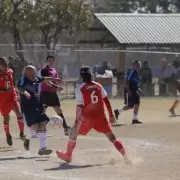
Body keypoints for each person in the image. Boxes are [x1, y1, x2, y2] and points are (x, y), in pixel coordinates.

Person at [56, 66, 131, 164]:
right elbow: (106, 100)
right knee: (112, 138)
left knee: (73, 133)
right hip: (100, 117)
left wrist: (76, 123)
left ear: (82, 77)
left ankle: (68, 155)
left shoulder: (80, 89)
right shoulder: (98, 86)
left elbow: (79, 108)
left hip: (87, 119)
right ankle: (125, 157)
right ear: (91, 75)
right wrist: (111, 115)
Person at [17, 65, 62, 155]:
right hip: (28, 108)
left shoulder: (36, 78)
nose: (33, 75)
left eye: (34, 72)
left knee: (42, 124)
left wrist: (55, 82)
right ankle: (27, 139)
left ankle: (42, 148)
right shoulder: (23, 80)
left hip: (38, 105)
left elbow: (44, 79)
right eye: (31, 73)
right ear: (26, 73)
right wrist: (25, 92)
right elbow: (20, 88)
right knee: (34, 127)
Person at [40, 55, 70, 136]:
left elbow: (55, 81)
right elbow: (46, 81)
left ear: (54, 61)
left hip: (53, 94)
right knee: (42, 112)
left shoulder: (54, 70)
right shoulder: (44, 70)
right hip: (45, 93)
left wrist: (57, 88)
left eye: (52, 60)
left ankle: (66, 128)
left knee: (59, 111)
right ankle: (39, 129)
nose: (51, 62)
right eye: (49, 60)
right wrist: (56, 87)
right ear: (47, 61)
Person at [0, 57, 25, 146]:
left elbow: (12, 82)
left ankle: (22, 133)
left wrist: (14, 89)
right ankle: (8, 135)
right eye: (2, 63)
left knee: (18, 112)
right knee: (6, 118)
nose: (4, 64)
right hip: (2, 99)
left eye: (5, 62)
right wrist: (4, 91)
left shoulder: (10, 71)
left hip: (12, 96)